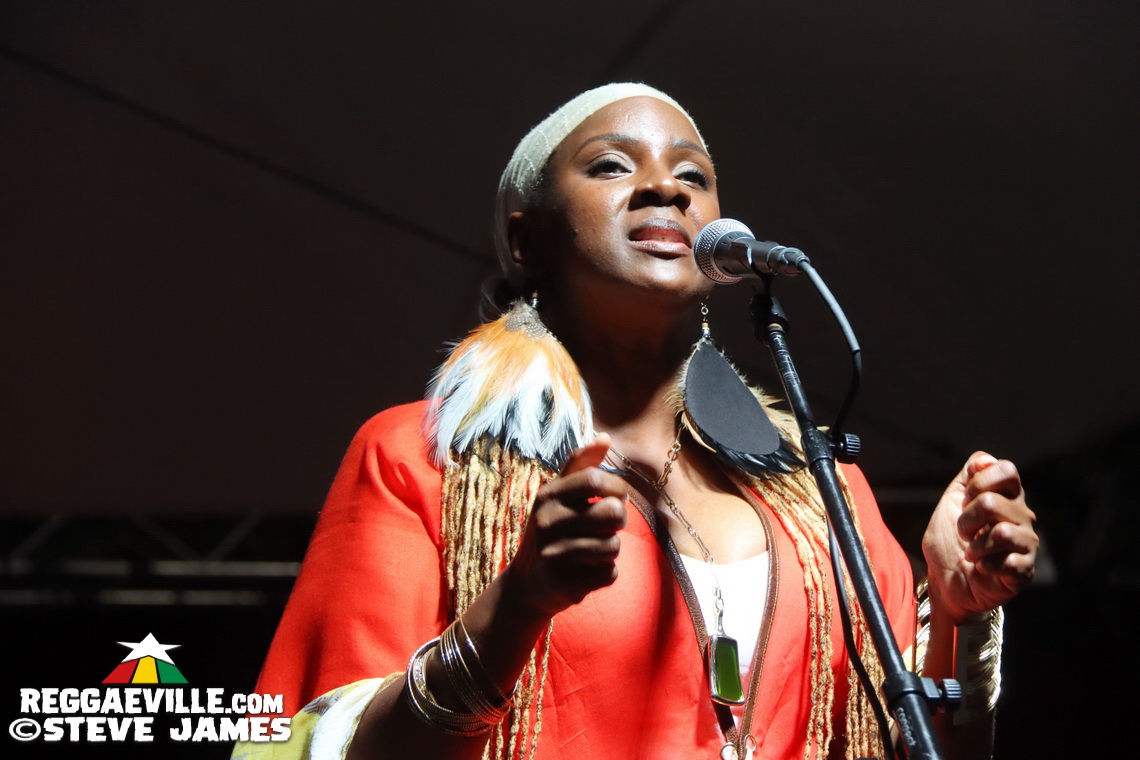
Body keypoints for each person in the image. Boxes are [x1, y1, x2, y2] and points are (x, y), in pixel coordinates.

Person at [235, 83, 1038, 760]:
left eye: (694, 175)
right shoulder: (421, 457)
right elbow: (313, 742)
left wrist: (959, 615)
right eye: (613, 166)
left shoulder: (822, 491)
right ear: (527, 237)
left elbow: (907, 743)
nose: (667, 189)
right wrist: (514, 606)